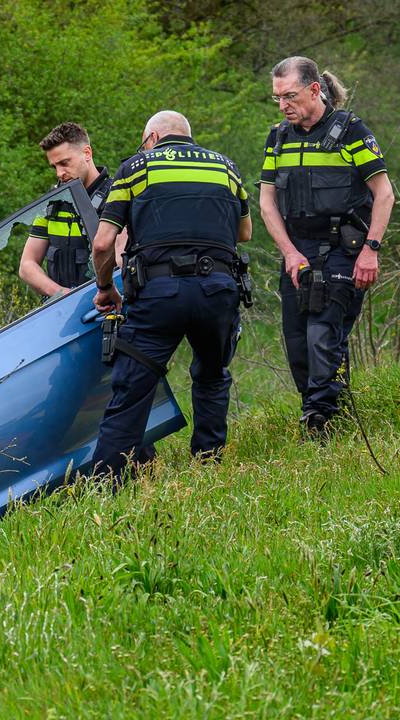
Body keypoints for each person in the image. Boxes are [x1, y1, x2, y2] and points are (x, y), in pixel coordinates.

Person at [88, 111, 251, 477]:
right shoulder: (226, 167)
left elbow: (102, 243)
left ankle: (107, 482)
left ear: (153, 138)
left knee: (132, 387)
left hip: (159, 294)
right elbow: (244, 233)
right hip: (217, 290)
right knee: (212, 375)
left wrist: (105, 287)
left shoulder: (135, 168)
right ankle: (208, 467)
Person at [258, 56, 394, 438]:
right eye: (277, 98)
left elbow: (384, 194)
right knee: (299, 345)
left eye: (290, 96)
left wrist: (371, 250)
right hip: (297, 252)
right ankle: (325, 411)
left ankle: (321, 425)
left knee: (323, 336)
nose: (283, 105)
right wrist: (289, 252)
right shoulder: (278, 137)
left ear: (314, 89)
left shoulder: (350, 130)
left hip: (341, 250)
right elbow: (267, 203)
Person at [19, 122, 126, 298]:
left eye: (64, 163)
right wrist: (62, 295)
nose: (59, 173)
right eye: (54, 166)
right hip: (61, 308)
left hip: (105, 305)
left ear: (87, 153)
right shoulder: (51, 203)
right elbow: (27, 265)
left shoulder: (118, 196)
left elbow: (122, 263)